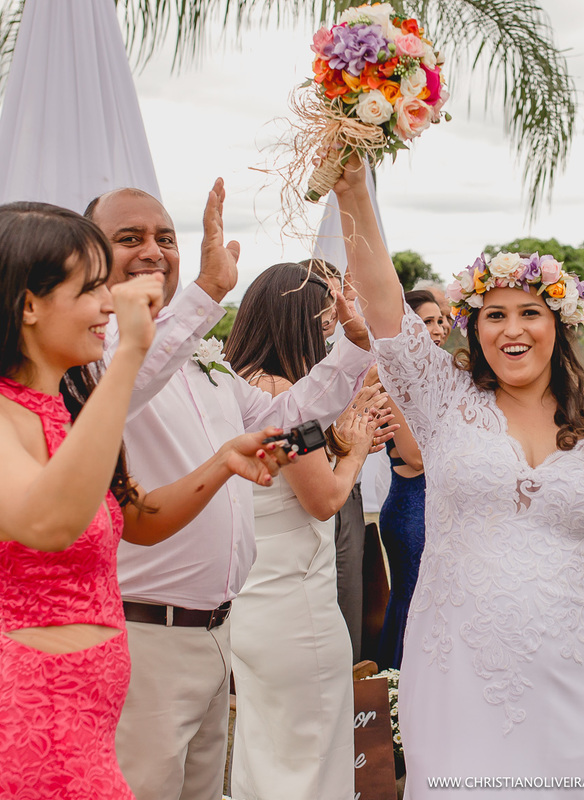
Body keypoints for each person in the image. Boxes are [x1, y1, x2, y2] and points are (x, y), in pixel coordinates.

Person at [332, 158, 584, 797]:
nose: (512, 329)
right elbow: (384, 306)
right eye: (493, 315)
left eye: (530, 313)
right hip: (458, 660)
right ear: (475, 328)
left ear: (560, 325)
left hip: (575, 664)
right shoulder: (442, 399)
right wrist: (354, 191)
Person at [0, 202, 288, 799]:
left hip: (88, 730)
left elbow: (137, 523)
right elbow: (49, 521)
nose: (110, 306)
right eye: (92, 289)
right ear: (28, 305)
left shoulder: (59, 412)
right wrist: (129, 356)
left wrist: (223, 462)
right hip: (36, 738)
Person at [84, 186, 387, 800]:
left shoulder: (207, 360)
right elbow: (130, 383)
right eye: (130, 238)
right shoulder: (101, 353)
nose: (153, 250)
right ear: (89, 256)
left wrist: (352, 346)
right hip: (146, 633)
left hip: (218, 629)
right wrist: (207, 291)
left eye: (164, 237)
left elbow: (286, 415)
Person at [223, 263, 388, 799]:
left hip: (251, 600)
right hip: (296, 609)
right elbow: (324, 500)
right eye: (321, 325)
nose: (325, 337)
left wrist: (339, 437)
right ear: (294, 323)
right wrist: (357, 449)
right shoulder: (282, 400)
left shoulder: (232, 384)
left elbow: (286, 476)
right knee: (312, 758)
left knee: (264, 753)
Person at [303, 257, 375, 660]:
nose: (332, 307)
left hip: (348, 493)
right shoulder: (285, 365)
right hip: (305, 496)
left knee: (347, 594)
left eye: (337, 296)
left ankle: (355, 702)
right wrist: (346, 440)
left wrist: (361, 429)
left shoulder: (350, 359)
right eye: (323, 296)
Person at [373, 289, 446, 668]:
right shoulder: (395, 382)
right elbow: (415, 456)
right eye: (427, 321)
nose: (438, 328)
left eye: (441, 320)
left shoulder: (443, 380)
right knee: (413, 601)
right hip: (411, 510)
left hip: (438, 510)